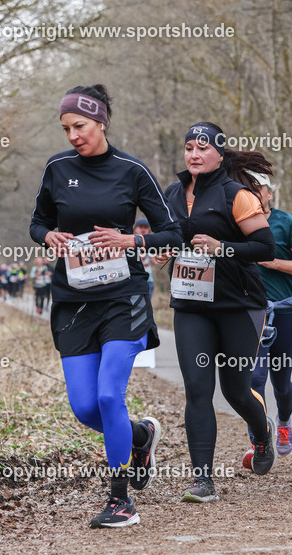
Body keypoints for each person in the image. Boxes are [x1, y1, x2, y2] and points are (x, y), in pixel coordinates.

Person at [29, 84, 182, 527]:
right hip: (74, 299)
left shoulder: (132, 171)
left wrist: (129, 240)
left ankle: (121, 501)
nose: (73, 135)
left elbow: (171, 233)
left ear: (101, 123)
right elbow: (38, 221)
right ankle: (140, 436)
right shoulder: (57, 168)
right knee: (84, 407)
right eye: (66, 128)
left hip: (123, 296)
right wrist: (49, 236)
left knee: (108, 394)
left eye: (80, 126)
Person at [158, 122, 278, 502]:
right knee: (197, 389)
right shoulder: (173, 195)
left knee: (235, 390)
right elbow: (171, 236)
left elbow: (265, 248)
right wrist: (163, 250)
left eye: (203, 148)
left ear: (219, 154)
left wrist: (221, 247)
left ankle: (262, 435)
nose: (194, 154)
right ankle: (202, 481)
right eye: (189, 147)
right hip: (192, 305)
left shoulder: (237, 195)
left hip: (239, 305)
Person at [242, 171, 292, 466]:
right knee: (254, 380)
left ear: (269, 193)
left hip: (285, 313)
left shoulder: (286, 223)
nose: (253, 193)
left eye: (258, 188)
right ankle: (258, 441)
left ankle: (283, 422)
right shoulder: (236, 225)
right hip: (251, 313)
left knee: (281, 383)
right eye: (246, 188)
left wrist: (272, 262)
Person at [133, 219, 155, 299]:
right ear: (135, 229)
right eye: (140, 227)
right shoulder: (130, 244)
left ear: (149, 229)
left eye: (145, 227)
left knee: (147, 303)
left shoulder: (152, 245)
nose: (143, 229)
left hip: (148, 280)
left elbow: (155, 262)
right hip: (134, 281)